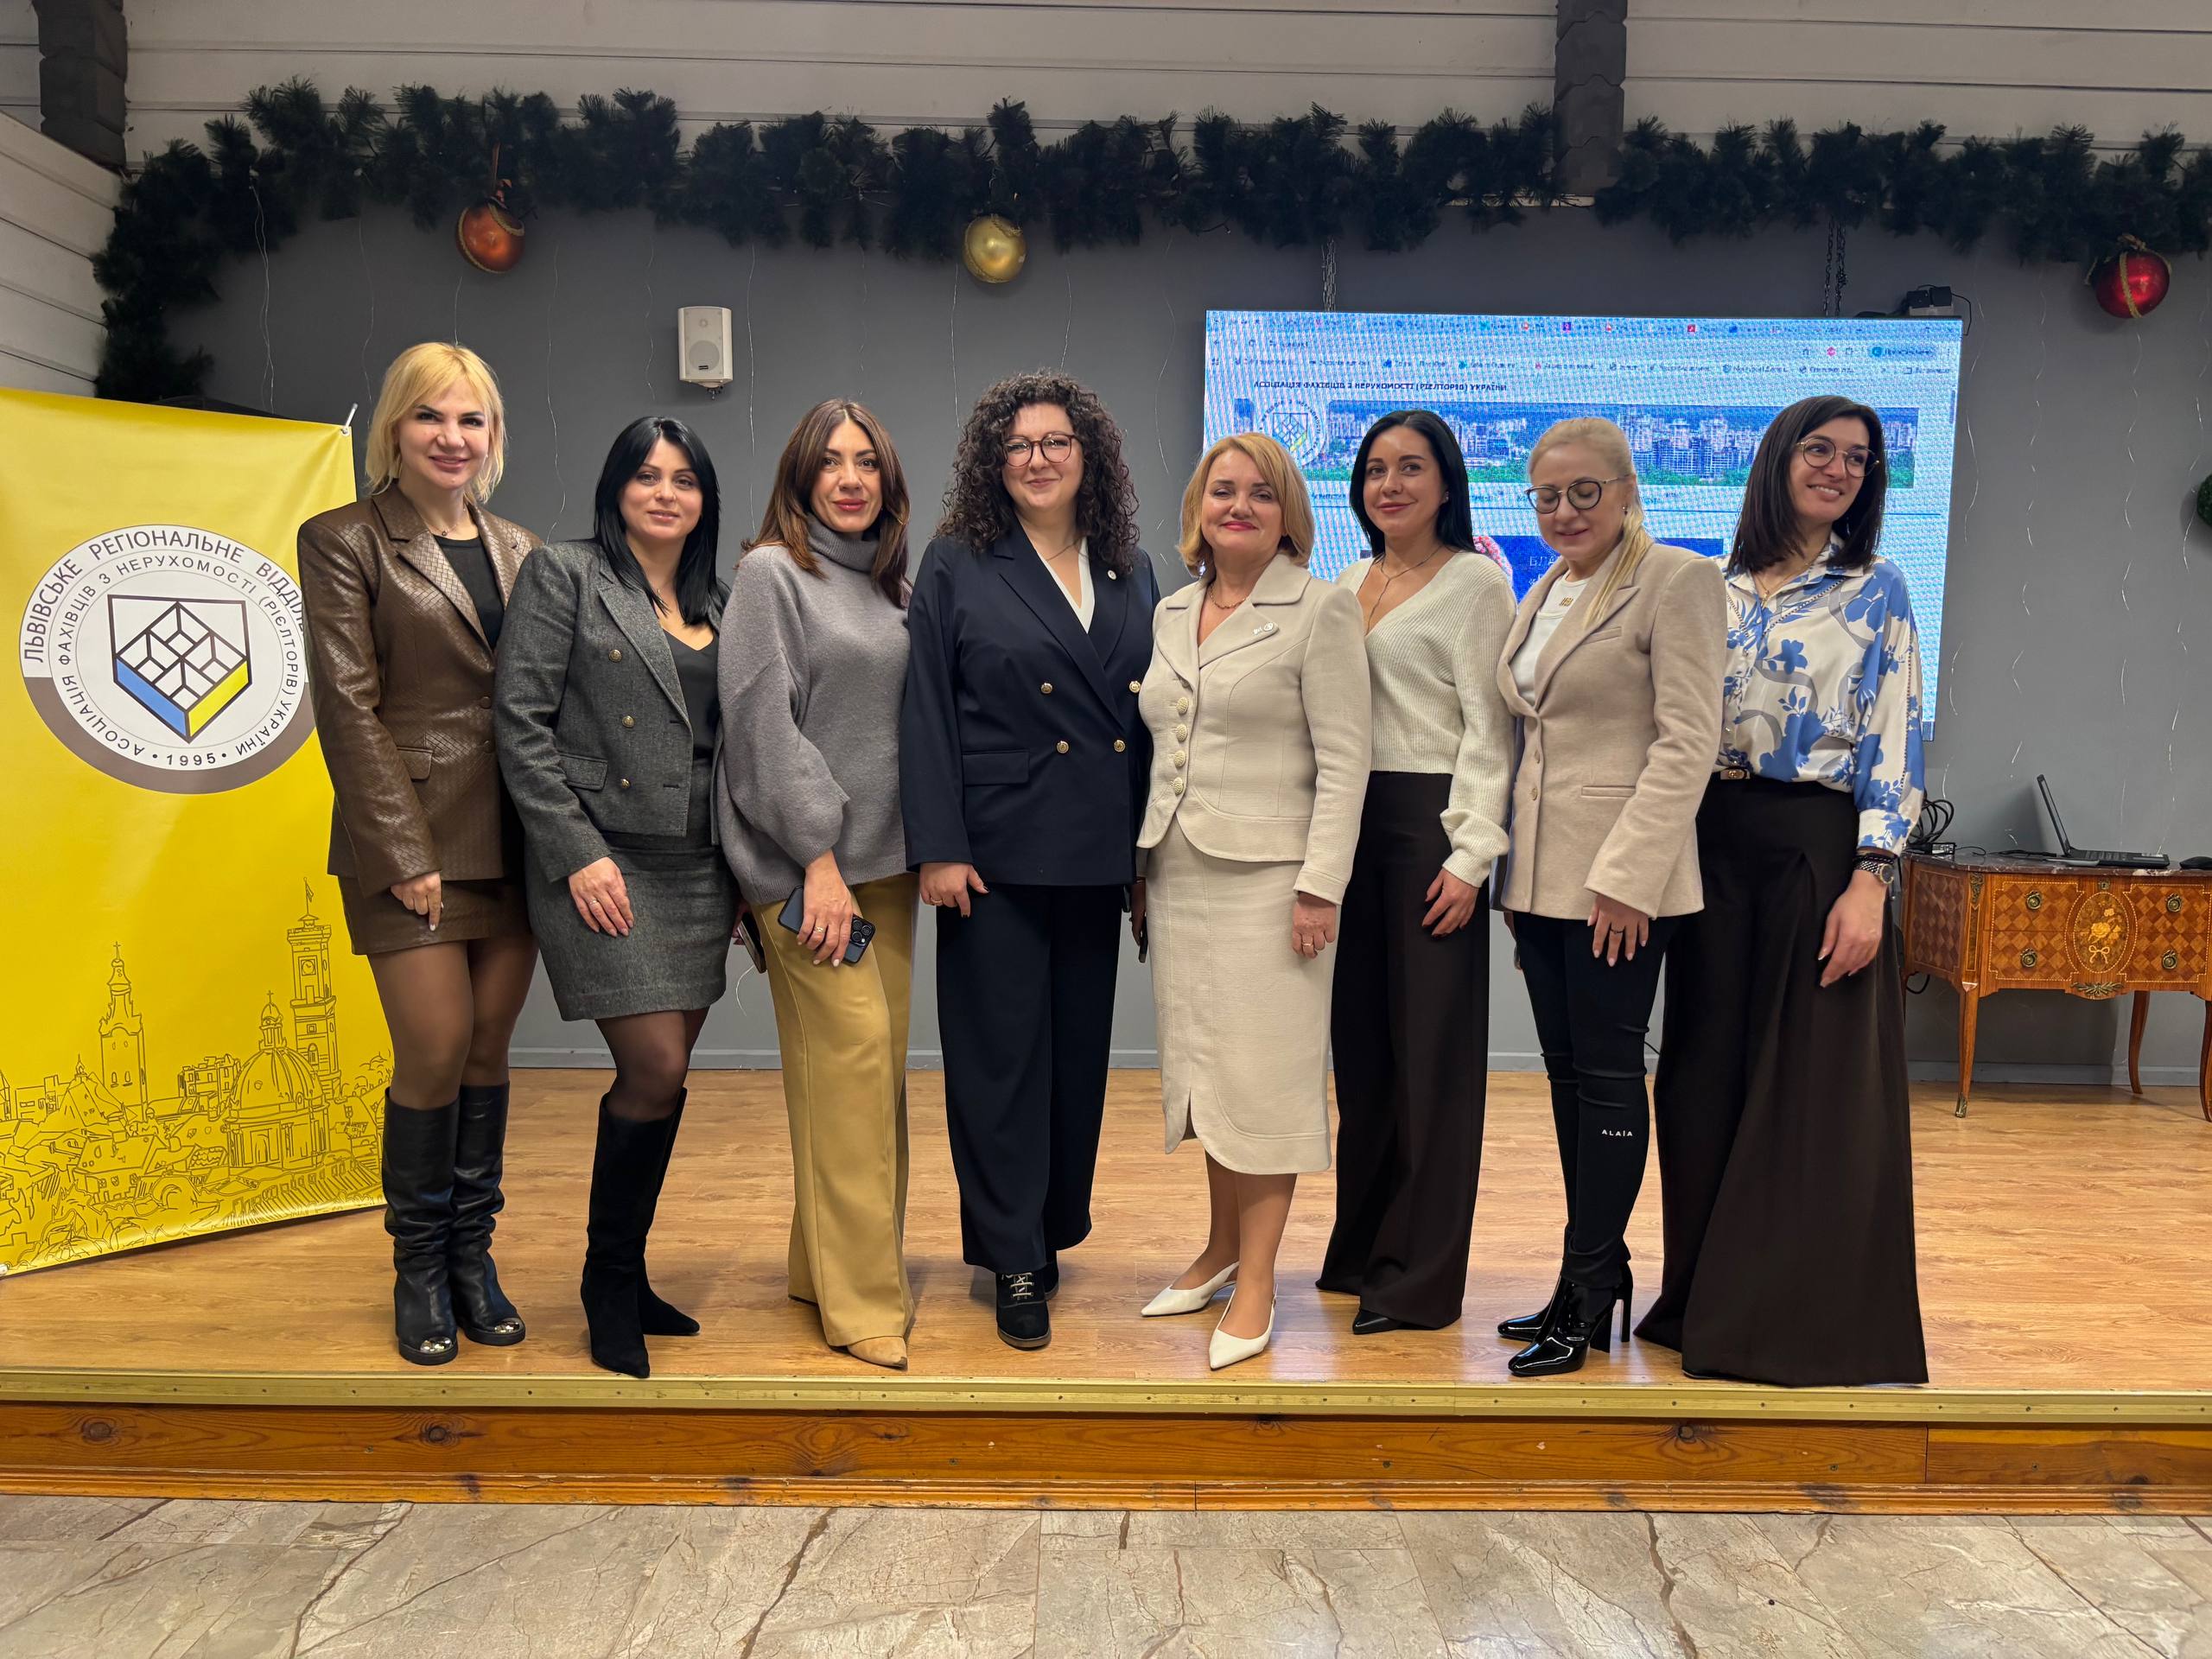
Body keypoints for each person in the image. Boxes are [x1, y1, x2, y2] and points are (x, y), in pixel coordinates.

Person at [1636, 395, 1929, 1387]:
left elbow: (1895, 736)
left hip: (1816, 849)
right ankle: (1699, 1300)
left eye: (1858, 458)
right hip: (1707, 847)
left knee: (1806, 1097)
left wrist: (1872, 879)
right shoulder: (1704, 589)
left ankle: (1788, 1325)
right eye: (1820, 449)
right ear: (1777, 459)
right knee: (1699, 1081)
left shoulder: (1876, 589)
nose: (1839, 469)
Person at [900, 369, 1160, 1352]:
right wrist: (938, 847)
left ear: (1088, 456)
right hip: (993, 855)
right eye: (1018, 445)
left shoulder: (1129, 567)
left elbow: (1150, 720)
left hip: (1096, 852)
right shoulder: (959, 563)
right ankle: (1009, 1254)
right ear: (992, 463)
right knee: (998, 1064)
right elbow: (925, 709)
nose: (1038, 459)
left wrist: (1145, 859)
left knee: (1075, 1062)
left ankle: (1049, 1229)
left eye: (1056, 442)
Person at [299, 341, 542, 1368]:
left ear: (493, 435)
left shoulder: (522, 547)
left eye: (470, 419)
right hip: (410, 838)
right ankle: (418, 1269)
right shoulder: (343, 539)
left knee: (487, 1054)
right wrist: (401, 850)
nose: (451, 437)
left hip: (518, 838)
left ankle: (472, 1261)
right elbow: (346, 707)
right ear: (394, 429)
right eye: (429, 416)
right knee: (435, 1051)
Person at [494, 416, 737, 1379]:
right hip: (602, 861)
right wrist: (575, 853)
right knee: (654, 1064)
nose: (664, 493)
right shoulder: (564, 574)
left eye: (683, 479)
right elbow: (520, 722)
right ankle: (604, 1283)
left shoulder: (721, 598)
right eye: (646, 476)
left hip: (698, 866)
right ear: (616, 488)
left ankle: (628, 1277)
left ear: (703, 499)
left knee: (667, 1079)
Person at [1493, 416, 1725, 1378]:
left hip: (1618, 887)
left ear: (1628, 491)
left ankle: (1589, 1289)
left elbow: (1687, 741)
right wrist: (1511, 875)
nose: (1565, 511)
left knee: (1606, 1077)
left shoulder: (1677, 579)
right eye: (1548, 495)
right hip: (1541, 882)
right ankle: (1589, 1272)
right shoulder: (1545, 587)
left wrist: (1629, 880)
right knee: (1567, 1079)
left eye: (1585, 491)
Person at [1136, 432, 1370, 1371]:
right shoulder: (1171, 610)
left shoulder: (1321, 609)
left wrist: (1320, 888)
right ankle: (1219, 1248)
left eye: (1261, 494)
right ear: (1198, 507)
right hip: (1179, 874)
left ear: (1287, 515)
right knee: (1207, 1071)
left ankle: (1261, 1281)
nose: (1239, 507)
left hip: (1275, 885)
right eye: (1223, 490)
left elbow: (1346, 761)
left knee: (1264, 1081)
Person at [718, 399, 919, 1373]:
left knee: (870, 1083)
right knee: (850, 1068)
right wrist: (818, 860)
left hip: (885, 869)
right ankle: (864, 1303)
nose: (850, 479)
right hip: (810, 872)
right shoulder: (772, 574)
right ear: (800, 478)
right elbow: (763, 730)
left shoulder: (889, 587)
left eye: (867, 462)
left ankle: (821, 1267)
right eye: (831, 462)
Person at [1319, 410, 1516, 1334]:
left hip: (1430, 830)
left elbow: (1491, 730)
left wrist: (1470, 856)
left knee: (1432, 1064)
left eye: (1410, 468)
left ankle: (1418, 1281)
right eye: (1374, 470)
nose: (1389, 485)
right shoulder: (1345, 582)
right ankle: (1361, 1251)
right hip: (1345, 828)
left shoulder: (1477, 583)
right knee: (1364, 1060)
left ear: (1446, 484)